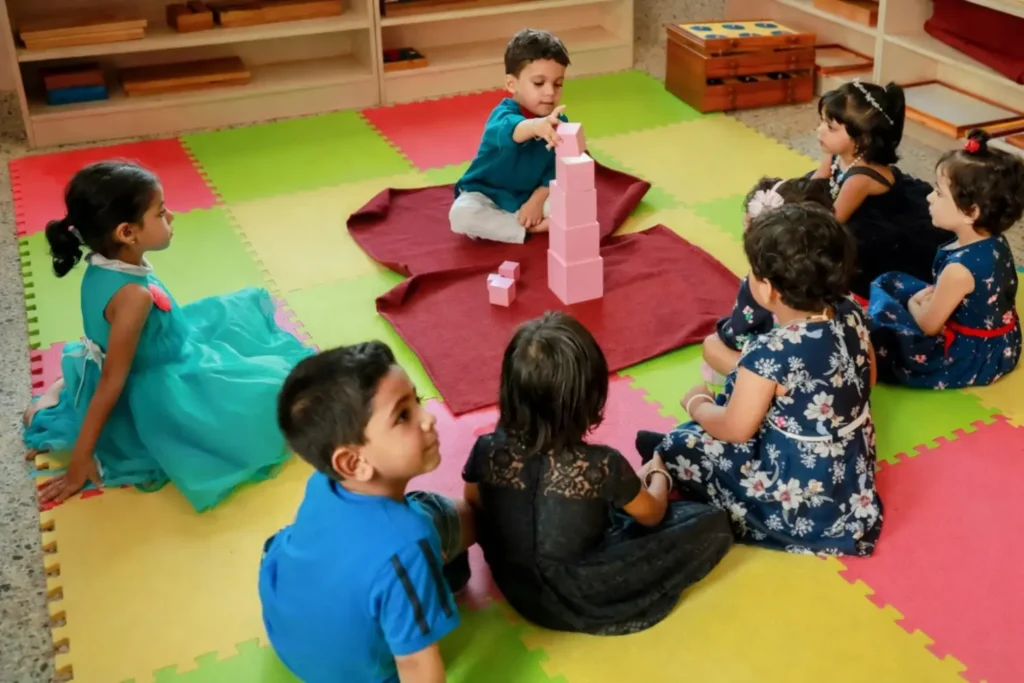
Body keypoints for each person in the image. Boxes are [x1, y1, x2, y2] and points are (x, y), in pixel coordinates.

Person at [22, 161, 312, 510]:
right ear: (127, 233)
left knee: (230, 318)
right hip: (165, 381)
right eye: (160, 213)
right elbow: (114, 378)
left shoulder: (102, 263)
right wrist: (80, 459)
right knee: (279, 395)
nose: (171, 217)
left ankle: (63, 391)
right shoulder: (133, 298)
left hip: (163, 344)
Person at [463, 312, 732, 635]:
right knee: (711, 521)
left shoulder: (488, 447)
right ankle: (657, 462)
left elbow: (474, 502)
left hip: (514, 579)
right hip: (579, 592)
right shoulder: (601, 464)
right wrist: (659, 477)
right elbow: (652, 515)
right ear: (589, 397)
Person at [638, 204, 882, 557]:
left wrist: (697, 404)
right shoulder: (851, 311)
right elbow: (868, 378)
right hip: (849, 479)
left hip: (798, 498)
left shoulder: (771, 351)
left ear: (768, 290)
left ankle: (667, 464)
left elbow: (735, 430)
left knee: (682, 441)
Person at [260, 342, 475, 683]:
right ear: (352, 462)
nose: (428, 417)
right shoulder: (408, 543)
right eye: (403, 415)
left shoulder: (325, 482)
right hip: (355, 674)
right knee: (463, 517)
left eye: (417, 401)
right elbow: (418, 668)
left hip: (287, 637)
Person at [868, 130, 1024, 388]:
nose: (929, 197)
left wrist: (915, 305)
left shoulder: (960, 270)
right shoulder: (992, 240)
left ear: (971, 212)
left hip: (969, 355)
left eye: (939, 193)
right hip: (999, 341)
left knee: (880, 338)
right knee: (891, 281)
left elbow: (928, 326)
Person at [812, 80, 948, 298]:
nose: (820, 131)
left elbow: (833, 220)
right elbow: (819, 178)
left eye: (830, 127)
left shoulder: (860, 178)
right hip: (848, 207)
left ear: (861, 139)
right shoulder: (837, 150)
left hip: (880, 224)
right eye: (822, 122)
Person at [703, 175, 835, 380]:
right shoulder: (836, 272)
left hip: (783, 370)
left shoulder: (761, 284)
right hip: (831, 363)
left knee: (711, 345)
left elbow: (739, 336)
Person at [449, 29, 572, 243]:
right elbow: (514, 130)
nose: (550, 92)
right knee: (461, 215)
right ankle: (525, 229)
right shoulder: (503, 117)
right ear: (512, 84)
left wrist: (536, 201)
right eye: (539, 83)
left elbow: (555, 170)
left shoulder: (558, 123)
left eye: (558, 84)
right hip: (485, 194)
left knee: (572, 200)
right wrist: (537, 126)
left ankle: (519, 221)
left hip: (529, 193)